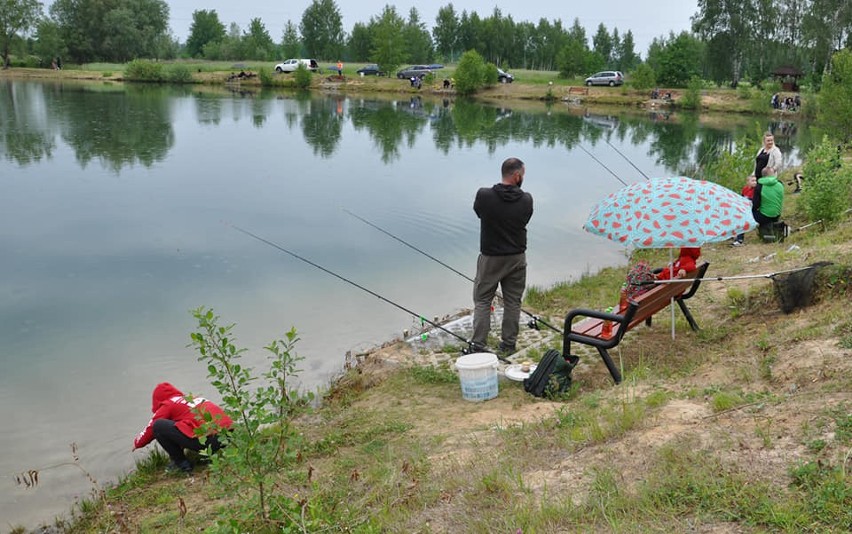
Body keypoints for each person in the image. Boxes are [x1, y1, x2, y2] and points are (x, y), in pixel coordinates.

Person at [472, 157, 533, 355]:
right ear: (516, 176)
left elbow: (479, 213)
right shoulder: (526, 199)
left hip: (490, 258)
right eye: (522, 175)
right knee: (512, 301)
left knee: (482, 300)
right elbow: (525, 219)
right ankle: (508, 344)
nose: (523, 178)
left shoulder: (484, 196)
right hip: (516, 257)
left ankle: (479, 344)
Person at [133, 382, 233, 473]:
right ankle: (210, 455)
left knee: (159, 426)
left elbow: (151, 427)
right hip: (229, 434)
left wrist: (137, 443)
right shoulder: (191, 399)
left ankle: (182, 464)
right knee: (179, 424)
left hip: (210, 440)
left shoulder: (168, 404)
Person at [732, 174, 757, 246]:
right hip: (744, 208)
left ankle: (739, 239)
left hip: (751, 209)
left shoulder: (755, 190)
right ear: (748, 182)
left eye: (755, 181)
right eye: (752, 181)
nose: (755, 182)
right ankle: (733, 233)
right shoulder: (745, 189)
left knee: (742, 218)